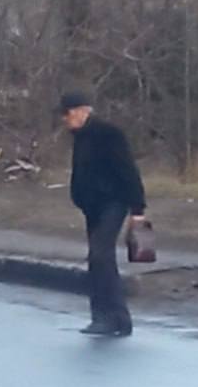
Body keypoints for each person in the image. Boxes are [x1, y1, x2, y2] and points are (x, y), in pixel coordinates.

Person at [60, 92, 146, 338]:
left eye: (67, 113)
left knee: (100, 255)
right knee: (98, 259)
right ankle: (105, 317)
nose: (64, 118)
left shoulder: (108, 134)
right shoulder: (80, 137)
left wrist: (137, 209)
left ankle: (113, 317)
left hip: (114, 202)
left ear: (82, 111)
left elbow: (128, 170)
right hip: (93, 206)